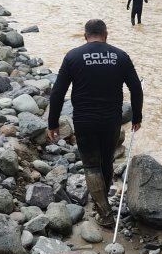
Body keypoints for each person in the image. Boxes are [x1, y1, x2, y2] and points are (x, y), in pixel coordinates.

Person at [48, 19, 143, 227]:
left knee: (91, 165)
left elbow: (58, 92)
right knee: (106, 161)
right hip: (111, 120)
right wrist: (137, 117)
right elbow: (136, 88)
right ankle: (104, 204)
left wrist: (52, 122)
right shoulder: (120, 56)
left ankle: (104, 211)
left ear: (85, 36)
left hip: (84, 120)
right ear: (106, 35)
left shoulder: (73, 56)